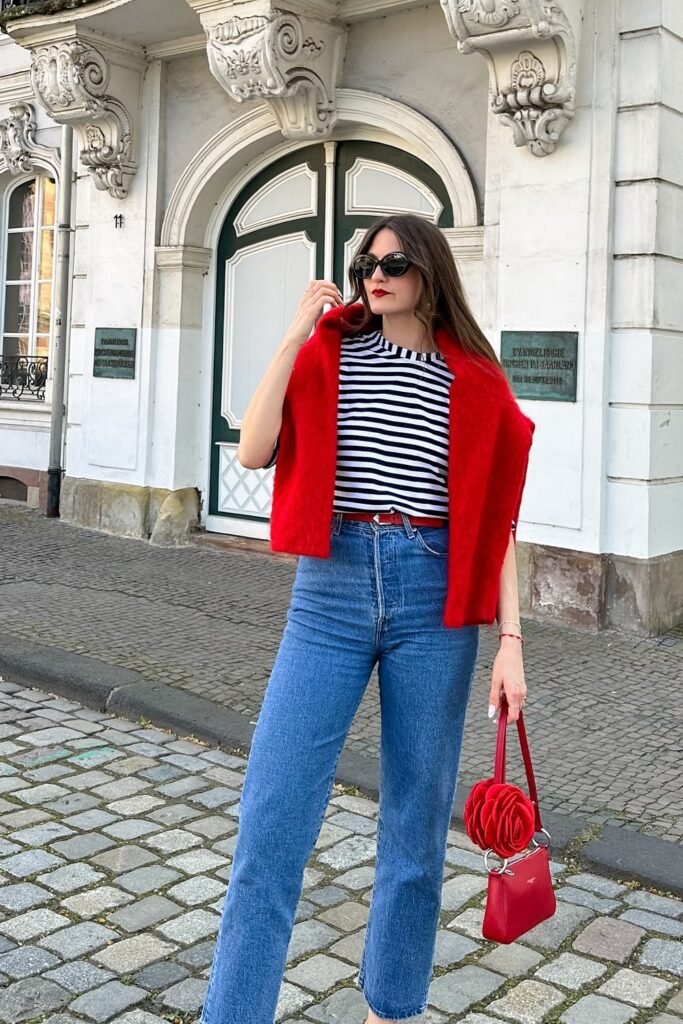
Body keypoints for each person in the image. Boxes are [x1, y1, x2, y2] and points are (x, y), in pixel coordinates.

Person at [200, 213, 535, 1024]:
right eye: (364, 263)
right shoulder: (331, 351)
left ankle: (392, 1007)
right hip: (332, 592)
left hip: (434, 601)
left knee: (415, 827)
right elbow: (251, 450)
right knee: (272, 814)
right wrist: (289, 335)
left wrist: (511, 642)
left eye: (393, 262)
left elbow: (496, 525)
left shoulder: (475, 381)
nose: (373, 275)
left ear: (429, 273)